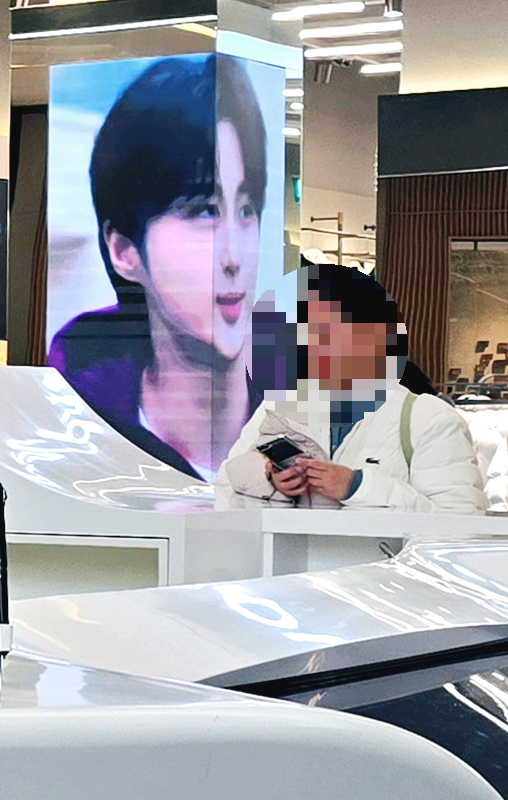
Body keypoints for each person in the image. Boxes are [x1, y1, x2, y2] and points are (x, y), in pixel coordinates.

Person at [48, 55, 270, 480]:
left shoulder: (309, 422)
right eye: (204, 211)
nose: (233, 256)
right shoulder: (79, 432)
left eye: (246, 209)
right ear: (124, 250)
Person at [216, 264, 484, 512]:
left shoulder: (427, 418)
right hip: (295, 550)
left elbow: (460, 520)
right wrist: (270, 479)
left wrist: (357, 487)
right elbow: (226, 486)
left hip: (381, 552)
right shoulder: (281, 406)